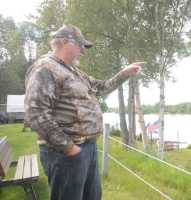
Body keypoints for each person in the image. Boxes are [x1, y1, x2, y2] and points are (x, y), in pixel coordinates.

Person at [24, 24, 143, 200]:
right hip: (65, 153)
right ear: (64, 42)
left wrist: (124, 73)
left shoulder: (75, 72)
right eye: (80, 45)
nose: (83, 51)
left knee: (92, 197)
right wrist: (68, 147)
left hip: (88, 148)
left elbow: (102, 87)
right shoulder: (45, 69)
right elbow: (36, 114)